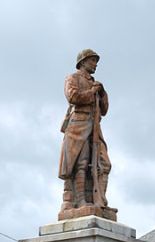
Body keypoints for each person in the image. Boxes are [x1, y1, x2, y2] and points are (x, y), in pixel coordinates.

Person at [58, 49, 111, 212]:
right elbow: (73, 96)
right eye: (92, 61)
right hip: (78, 124)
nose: (95, 64)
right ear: (82, 62)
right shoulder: (72, 78)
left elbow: (104, 110)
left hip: (94, 126)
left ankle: (99, 200)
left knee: (103, 164)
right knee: (80, 163)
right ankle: (80, 200)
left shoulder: (96, 84)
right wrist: (92, 92)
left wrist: (102, 94)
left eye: (96, 61)